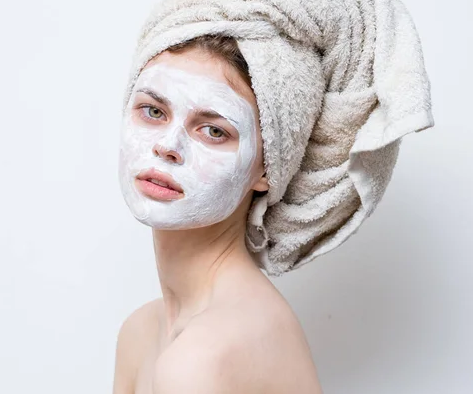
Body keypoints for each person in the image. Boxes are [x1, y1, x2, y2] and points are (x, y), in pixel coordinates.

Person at [113, 34, 324, 394]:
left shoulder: (203, 357)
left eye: (213, 131)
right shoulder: (142, 331)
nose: (167, 147)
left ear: (268, 167)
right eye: (154, 111)